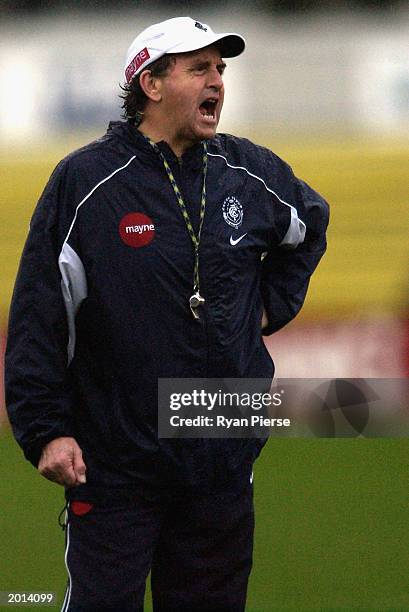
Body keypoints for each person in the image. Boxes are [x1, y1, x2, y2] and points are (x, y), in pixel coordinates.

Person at [5, 16, 329, 612]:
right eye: (200, 68)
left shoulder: (249, 171)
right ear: (151, 84)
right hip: (115, 465)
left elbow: (309, 226)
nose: (218, 83)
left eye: (221, 69)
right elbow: (39, 314)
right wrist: (45, 430)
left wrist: (268, 307)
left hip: (221, 461)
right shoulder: (86, 182)